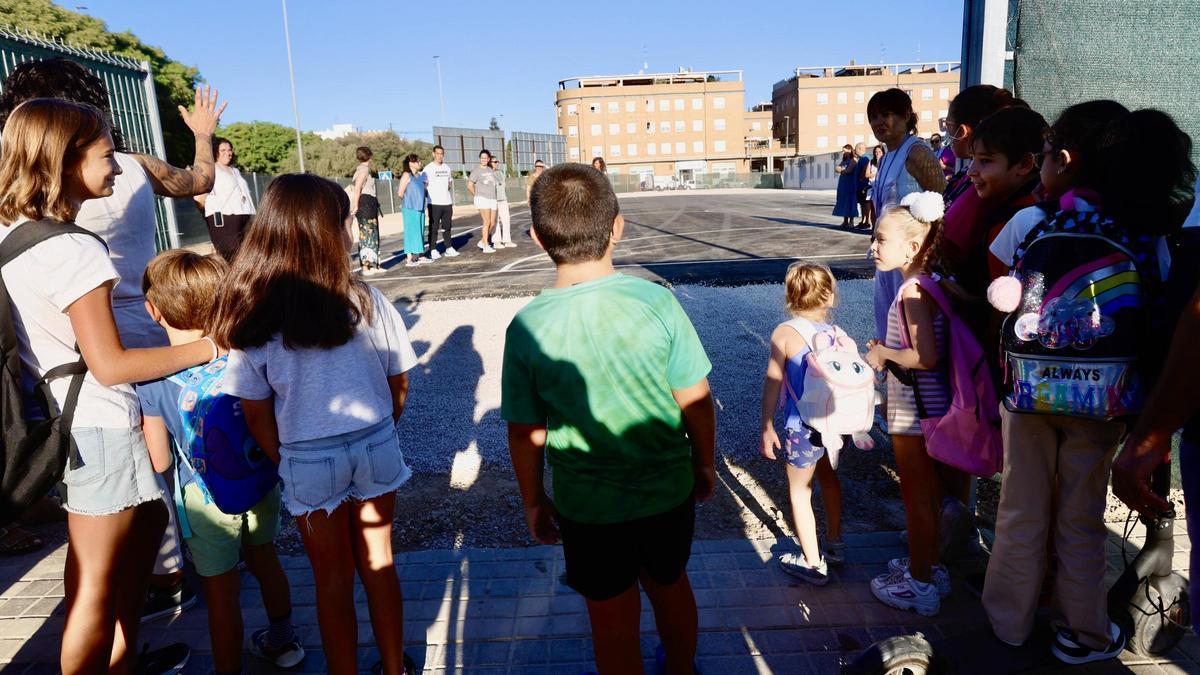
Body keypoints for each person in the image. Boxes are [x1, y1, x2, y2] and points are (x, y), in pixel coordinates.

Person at [0, 98, 216, 674]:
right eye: (104, 157)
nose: (118, 169)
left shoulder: (18, 235)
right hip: (100, 424)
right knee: (94, 591)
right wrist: (209, 348)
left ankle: (123, 662)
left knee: (120, 557)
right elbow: (111, 365)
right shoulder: (73, 249)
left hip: (74, 422)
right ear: (64, 162)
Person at [984, 101, 1192, 665]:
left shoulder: (1033, 220)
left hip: (1028, 395)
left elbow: (1000, 294)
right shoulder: (1146, 233)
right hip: (1103, 401)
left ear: (1066, 159)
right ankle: (1084, 633)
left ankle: (1007, 624)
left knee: (1020, 509)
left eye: (1046, 156)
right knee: (1081, 517)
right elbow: (1159, 313)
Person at [502, 163, 716, 675]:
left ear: (535, 238)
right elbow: (696, 399)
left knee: (611, 618)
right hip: (666, 490)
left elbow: (524, 430)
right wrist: (704, 464)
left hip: (588, 506)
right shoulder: (657, 301)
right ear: (617, 226)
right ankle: (682, 668)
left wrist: (533, 500)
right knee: (670, 586)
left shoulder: (526, 327)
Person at [210, 174, 419, 675]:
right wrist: (383, 427)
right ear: (330, 232)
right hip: (375, 444)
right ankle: (394, 667)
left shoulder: (256, 313)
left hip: (306, 456)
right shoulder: (366, 299)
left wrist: (285, 457)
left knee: (330, 579)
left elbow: (255, 408)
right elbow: (400, 382)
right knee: (380, 563)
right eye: (344, 219)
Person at [137, 250, 304, 675]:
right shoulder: (243, 354)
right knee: (266, 561)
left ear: (153, 311)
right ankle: (283, 645)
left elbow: (159, 458)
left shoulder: (154, 379)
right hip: (261, 481)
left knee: (222, 593)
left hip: (204, 498)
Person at [863, 192, 954, 617]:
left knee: (916, 498)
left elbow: (925, 356)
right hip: (930, 407)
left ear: (912, 248)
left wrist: (882, 355)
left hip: (913, 412)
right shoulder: (928, 284)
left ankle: (919, 586)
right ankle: (930, 568)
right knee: (929, 496)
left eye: (881, 239)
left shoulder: (911, 291)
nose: (873, 247)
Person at [759, 262, 846, 585]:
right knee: (829, 478)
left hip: (801, 426)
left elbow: (772, 382)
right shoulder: (834, 333)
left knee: (799, 490)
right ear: (829, 296)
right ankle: (835, 543)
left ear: (790, 295)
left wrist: (766, 424)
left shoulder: (784, 333)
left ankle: (812, 562)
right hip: (835, 424)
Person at [868, 88, 947, 342]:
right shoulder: (886, 155)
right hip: (890, 252)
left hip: (912, 254)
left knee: (910, 321)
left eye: (887, 114)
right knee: (888, 316)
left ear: (905, 116)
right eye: (874, 117)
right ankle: (891, 366)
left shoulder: (917, 152)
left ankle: (912, 372)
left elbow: (942, 200)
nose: (879, 122)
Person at [194, 137, 255, 262]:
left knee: (248, 255)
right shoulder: (211, 170)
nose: (228, 153)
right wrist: (209, 216)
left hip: (244, 215)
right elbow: (199, 197)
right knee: (230, 258)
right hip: (224, 219)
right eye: (223, 150)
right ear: (215, 152)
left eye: (230, 149)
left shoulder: (235, 171)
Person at [349, 146, 384, 275]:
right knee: (366, 234)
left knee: (373, 233)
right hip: (365, 203)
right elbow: (357, 188)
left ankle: (374, 265)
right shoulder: (363, 170)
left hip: (369, 202)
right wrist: (356, 205)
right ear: (370, 155)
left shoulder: (362, 169)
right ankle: (365, 267)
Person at [422, 144, 457, 259]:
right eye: (437, 153)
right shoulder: (428, 168)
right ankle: (433, 249)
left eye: (441, 154)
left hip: (447, 202)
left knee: (447, 227)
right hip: (434, 203)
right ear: (433, 154)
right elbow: (424, 185)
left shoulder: (447, 168)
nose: (440, 156)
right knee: (434, 227)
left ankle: (449, 248)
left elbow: (449, 183)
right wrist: (430, 197)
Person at [397, 153, 429, 267]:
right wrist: (410, 200)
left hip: (420, 208)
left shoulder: (419, 176)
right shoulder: (407, 175)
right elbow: (400, 193)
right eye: (417, 161)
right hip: (410, 208)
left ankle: (420, 256)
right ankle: (409, 259)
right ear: (411, 163)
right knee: (411, 232)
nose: (419, 163)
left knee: (419, 232)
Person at [468, 149, 498, 253]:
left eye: (485, 158)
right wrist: (476, 195)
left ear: (488, 159)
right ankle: (486, 245)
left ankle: (482, 241)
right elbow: (470, 185)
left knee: (493, 223)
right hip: (482, 198)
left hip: (492, 198)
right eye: (482, 158)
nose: (483, 160)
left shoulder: (490, 170)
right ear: (480, 159)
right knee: (487, 222)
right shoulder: (476, 171)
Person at [833, 144, 861, 227]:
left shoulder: (853, 160)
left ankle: (851, 222)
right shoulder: (844, 160)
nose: (843, 153)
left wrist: (841, 170)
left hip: (850, 184)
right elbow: (836, 168)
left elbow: (848, 171)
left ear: (849, 150)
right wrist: (842, 170)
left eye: (844, 151)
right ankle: (845, 221)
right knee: (844, 201)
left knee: (850, 201)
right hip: (843, 184)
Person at [491, 155, 515, 248]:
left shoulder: (500, 173)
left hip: (503, 199)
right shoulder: (488, 173)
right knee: (495, 220)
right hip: (494, 200)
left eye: (497, 162)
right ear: (490, 163)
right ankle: (496, 242)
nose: (496, 163)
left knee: (506, 219)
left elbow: (503, 185)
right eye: (494, 162)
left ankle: (507, 240)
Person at [859, 145, 884, 230]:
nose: (877, 154)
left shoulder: (886, 161)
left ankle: (881, 227)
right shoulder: (871, 162)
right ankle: (873, 227)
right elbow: (866, 175)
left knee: (882, 209)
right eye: (876, 152)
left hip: (882, 188)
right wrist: (876, 174)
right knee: (873, 208)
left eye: (879, 152)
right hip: (872, 187)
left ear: (883, 152)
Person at [853, 143, 872, 228]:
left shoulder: (865, 158)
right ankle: (863, 220)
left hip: (864, 185)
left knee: (865, 203)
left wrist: (861, 177)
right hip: (860, 185)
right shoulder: (861, 158)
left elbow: (866, 168)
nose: (854, 150)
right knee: (862, 203)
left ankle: (867, 222)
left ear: (860, 149)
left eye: (855, 149)